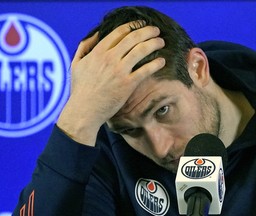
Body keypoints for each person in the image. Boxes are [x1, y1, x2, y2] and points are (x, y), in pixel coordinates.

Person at [13, 6, 256, 216]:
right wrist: (76, 120)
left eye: (162, 110)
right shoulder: (103, 144)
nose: (160, 149)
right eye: (130, 130)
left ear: (199, 69)